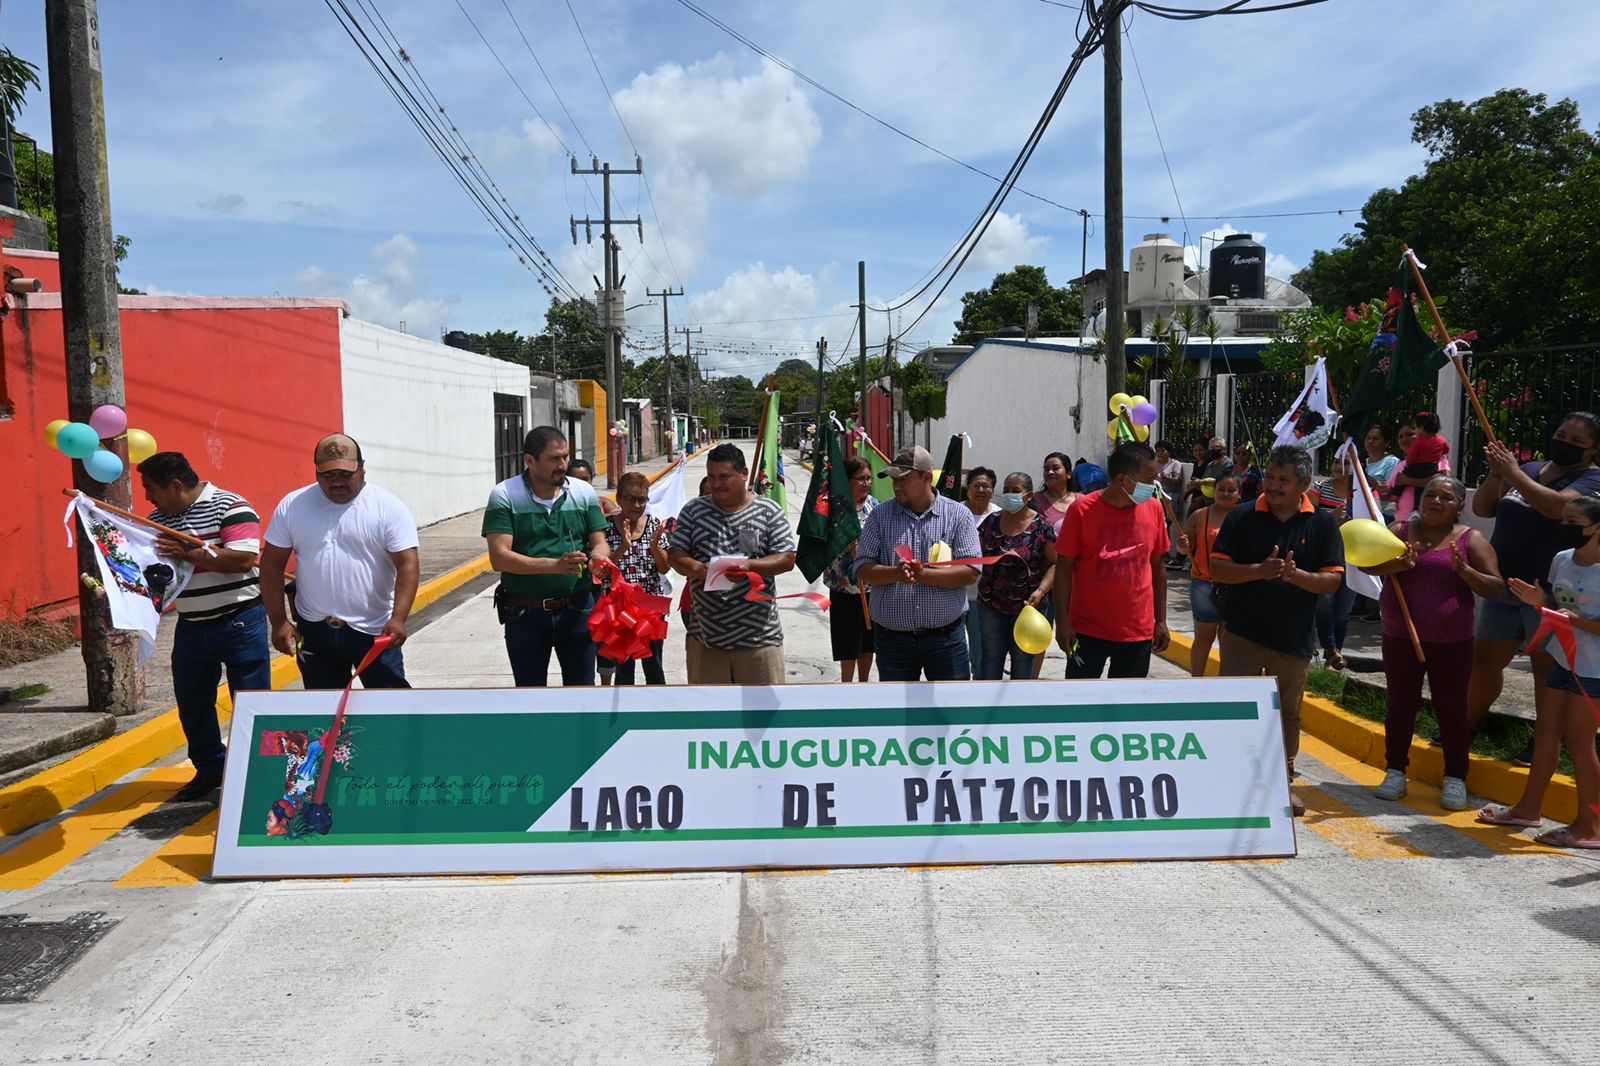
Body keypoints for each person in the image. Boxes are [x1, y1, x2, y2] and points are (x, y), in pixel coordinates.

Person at [1208, 445, 1345, 817]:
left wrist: (1295, 576)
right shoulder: (1241, 517)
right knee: (1234, 709)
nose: (1273, 485)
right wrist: (1259, 571)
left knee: (1287, 714)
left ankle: (1282, 782)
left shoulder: (1322, 523)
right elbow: (1217, 569)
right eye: (1270, 477)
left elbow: (1332, 582)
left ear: (1303, 483)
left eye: (1284, 480)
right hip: (1242, 634)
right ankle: (1229, 779)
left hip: (1294, 638)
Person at [1361, 477, 1503, 811]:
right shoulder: (1399, 530)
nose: (1435, 501)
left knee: (1452, 709)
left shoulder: (1472, 540)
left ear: (1459, 506)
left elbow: (1495, 587)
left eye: (1446, 497)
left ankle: (1455, 777)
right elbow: (1367, 565)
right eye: (1430, 494)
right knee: (1400, 705)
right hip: (1400, 637)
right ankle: (1395, 770)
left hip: (1451, 642)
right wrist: (1399, 564)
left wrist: (1464, 571)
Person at [139, 451, 270, 801]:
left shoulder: (231, 506)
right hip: (192, 624)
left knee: (250, 700)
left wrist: (188, 553)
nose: (148, 498)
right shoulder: (158, 519)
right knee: (193, 701)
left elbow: (243, 559)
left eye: (151, 489)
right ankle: (210, 769)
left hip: (239, 619)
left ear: (176, 486)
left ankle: (255, 776)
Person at [1468, 412, 1600, 757]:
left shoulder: (1591, 481)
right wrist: (1497, 473)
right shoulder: (1527, 469)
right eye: (1562, 434)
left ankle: (1544, 741)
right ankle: (1468, 726)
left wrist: (1511, 472)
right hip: (1504, 586)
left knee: (1546, 668)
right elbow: (1484, 507)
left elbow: (1558, 507)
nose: (1565, 443)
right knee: (1484, 661)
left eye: (1577, 441)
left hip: (1548, 593)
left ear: (1593, 450)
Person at [1481, 493, 1600, 847]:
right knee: (1546, 733)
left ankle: (1589, 827)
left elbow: (1578, 618)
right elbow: (1555, 605)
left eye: (1573, 524)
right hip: (1561, 657)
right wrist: (1541, 604)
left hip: (1593, 669)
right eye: (1563, 521)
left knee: (1581, 744)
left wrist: (1577, 621)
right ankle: (1527, 808)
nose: (1564, 529)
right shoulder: (1562, 559)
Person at [262, 433, 419, 690]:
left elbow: (408, 564)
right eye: (328, 475)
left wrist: (399, 617)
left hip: (374, 630)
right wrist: (279, 621)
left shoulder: (388, 507)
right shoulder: (293, 506)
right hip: (314, 631)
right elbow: (271, 565)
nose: (337, 482)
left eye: (346, 474)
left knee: (390, 707)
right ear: (316, 472)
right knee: (326, 711)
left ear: (362, 469)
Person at [482, 426, 612, 687]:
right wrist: (554, 566)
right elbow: (500, 558)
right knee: (532, 697)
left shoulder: (582, 492)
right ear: (529, 460)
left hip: (578, 609)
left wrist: (598, 558)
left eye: (565, 456)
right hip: (525, 613)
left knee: (582, 695)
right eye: (554, 459)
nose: (563, 465)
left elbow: (600, 542)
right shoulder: (505, 495)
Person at [668, 443, 796, 684]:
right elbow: (675, 553)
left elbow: (786, 558)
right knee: (711, 719)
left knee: (763, 718)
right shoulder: (693, 511)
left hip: (760, 641)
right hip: (705, 640)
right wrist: (698, 569)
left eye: (725, 476)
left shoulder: (769, 511)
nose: (717, 484)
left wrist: (750, 567)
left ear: (744, 474)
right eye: (711, 477)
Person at [854, 445, 981, 681]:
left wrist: (922, 575)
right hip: (893, 642)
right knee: (898, 713)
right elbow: (862, 567)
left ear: (926, 477)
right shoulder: (880, 516)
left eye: (903, 479)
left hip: (946, 640)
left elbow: (971, 572)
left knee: (949, 711)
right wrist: (897, 573)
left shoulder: (958, 515)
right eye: (893, 479)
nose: (896, 485)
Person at [1053, 441, 1171, 679]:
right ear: (1121, 480)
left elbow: (1159, 568)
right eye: (1148, 480)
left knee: (1127, 711)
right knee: (1081, 704)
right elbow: (1063, 569)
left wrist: (1161, 621)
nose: (1153, 486)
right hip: (1087, 631)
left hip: (1137, 632)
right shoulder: (1082, 510)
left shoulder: (1155, 509)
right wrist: (1063, 623)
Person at [972, 472, 1056, 680]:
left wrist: (1041, 590)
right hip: (991, 604)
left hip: (1028, 606)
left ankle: (1019, 708)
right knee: (990, 657)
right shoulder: (990, 523)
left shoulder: (1043, 527)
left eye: (1015, 491)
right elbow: (975, 555)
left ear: (1028, 496)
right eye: (1006, 490)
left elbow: (1054, 564)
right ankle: (988, 708)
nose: (1009, 495)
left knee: (1023, 659)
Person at [597, 471, 671, 687]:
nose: (637, 505)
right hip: (618, 610)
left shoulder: (654, 525)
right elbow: (601, 571)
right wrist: (624, 547)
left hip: (650, 610)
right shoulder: (606, 527)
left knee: (654, 668)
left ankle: (657, 715)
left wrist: (656, 547)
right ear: (618, 498)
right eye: (630, 498)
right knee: (623, 671)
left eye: (642, 499)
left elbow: (664, 568)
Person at [1178, 470, 1241, 678]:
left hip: (1235, 586)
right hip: (1204, 584)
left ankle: (1225, 685)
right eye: (1221, 489)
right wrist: (1182, 545)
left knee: (1229, 642)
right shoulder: (1199, 515)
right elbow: (1183, 550)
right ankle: (1196, 681)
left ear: (1239, 494)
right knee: (1203, 639)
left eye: (1231, 490)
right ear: (1213, 491)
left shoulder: (1245, 518)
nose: (1225, 494)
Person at [824, 457, 878, 682]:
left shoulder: (875, 507)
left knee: (868, 642)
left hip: (871, 588)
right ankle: (846, 685)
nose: (866, 483)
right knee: (848, 644)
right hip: (843, 587)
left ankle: (864, 684)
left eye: (868, 478)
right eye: (861, 478)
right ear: (847, 480)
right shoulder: (833, 508)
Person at [1310, 461, 1356, 671]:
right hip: (1325, 556)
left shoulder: (1363, 493)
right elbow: (1307, 518)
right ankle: (1330, 647)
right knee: (1324, 603)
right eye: (1337, 462)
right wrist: (1330, 518)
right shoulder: (1320, 487)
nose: (1340, 467)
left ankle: (1336, 651)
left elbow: (1375, 518)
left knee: (1343, 610)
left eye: (1347, 463)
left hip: (1353, 558)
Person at [962, 467, 998, 670]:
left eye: (986, 486)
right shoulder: (955, 512)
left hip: (984, 596)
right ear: (968, 488)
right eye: (976, 485)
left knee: (981, 651)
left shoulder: (1001, 515)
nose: (981, 490)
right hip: (955, 590)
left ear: (993, 489)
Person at [1385, 418, 1452, 524]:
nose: (1404, 439)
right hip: (1401, 524)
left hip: (1425, 525)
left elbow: (1444, 481)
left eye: (1409, 434)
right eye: (1400, 437)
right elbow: (1389, 493)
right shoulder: (1401, 465)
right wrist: (1383, 490)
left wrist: (1408, 481)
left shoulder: (1436, 458)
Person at [1360, 424, 1401, 519]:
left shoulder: (1392, 462)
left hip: (1383, 516)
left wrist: (1365, 477)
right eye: (1368, 438)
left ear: (1386, 443)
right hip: (1364, 514)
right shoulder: (1362, 463)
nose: (1370, 441)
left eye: (1376, 439)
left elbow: (1387, 495)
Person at [1033, 452, 1077, 540]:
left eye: (1056, 468)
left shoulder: (1083, 501)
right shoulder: (1035, 500)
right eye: (1046, 469)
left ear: (1069, 474)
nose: (1050, 472)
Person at [1156, 441, 1186, 566]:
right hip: (1157, 496)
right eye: (1157, 451)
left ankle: (1168, 552)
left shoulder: (1175, 464)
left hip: (1170, 497)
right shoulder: (1154, 464)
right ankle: (1164, 552)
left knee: (1168, 524)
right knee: (1160, 525)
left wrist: (1165, 477)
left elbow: (1178, 481)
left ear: (1169, 452)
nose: (1160, 453)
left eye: (1163, 450)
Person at [1399, 409, 1449, 481]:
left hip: (1418, 467)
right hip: (1433, 468)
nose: (1415, 430)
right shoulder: (1441, 440)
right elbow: (1446, 450)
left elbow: (1411, 456)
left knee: (1400, 478)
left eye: (1416, 428)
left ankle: (1397, 492)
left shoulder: (1418, 442)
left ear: (1421, 428)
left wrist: (1407, 465)